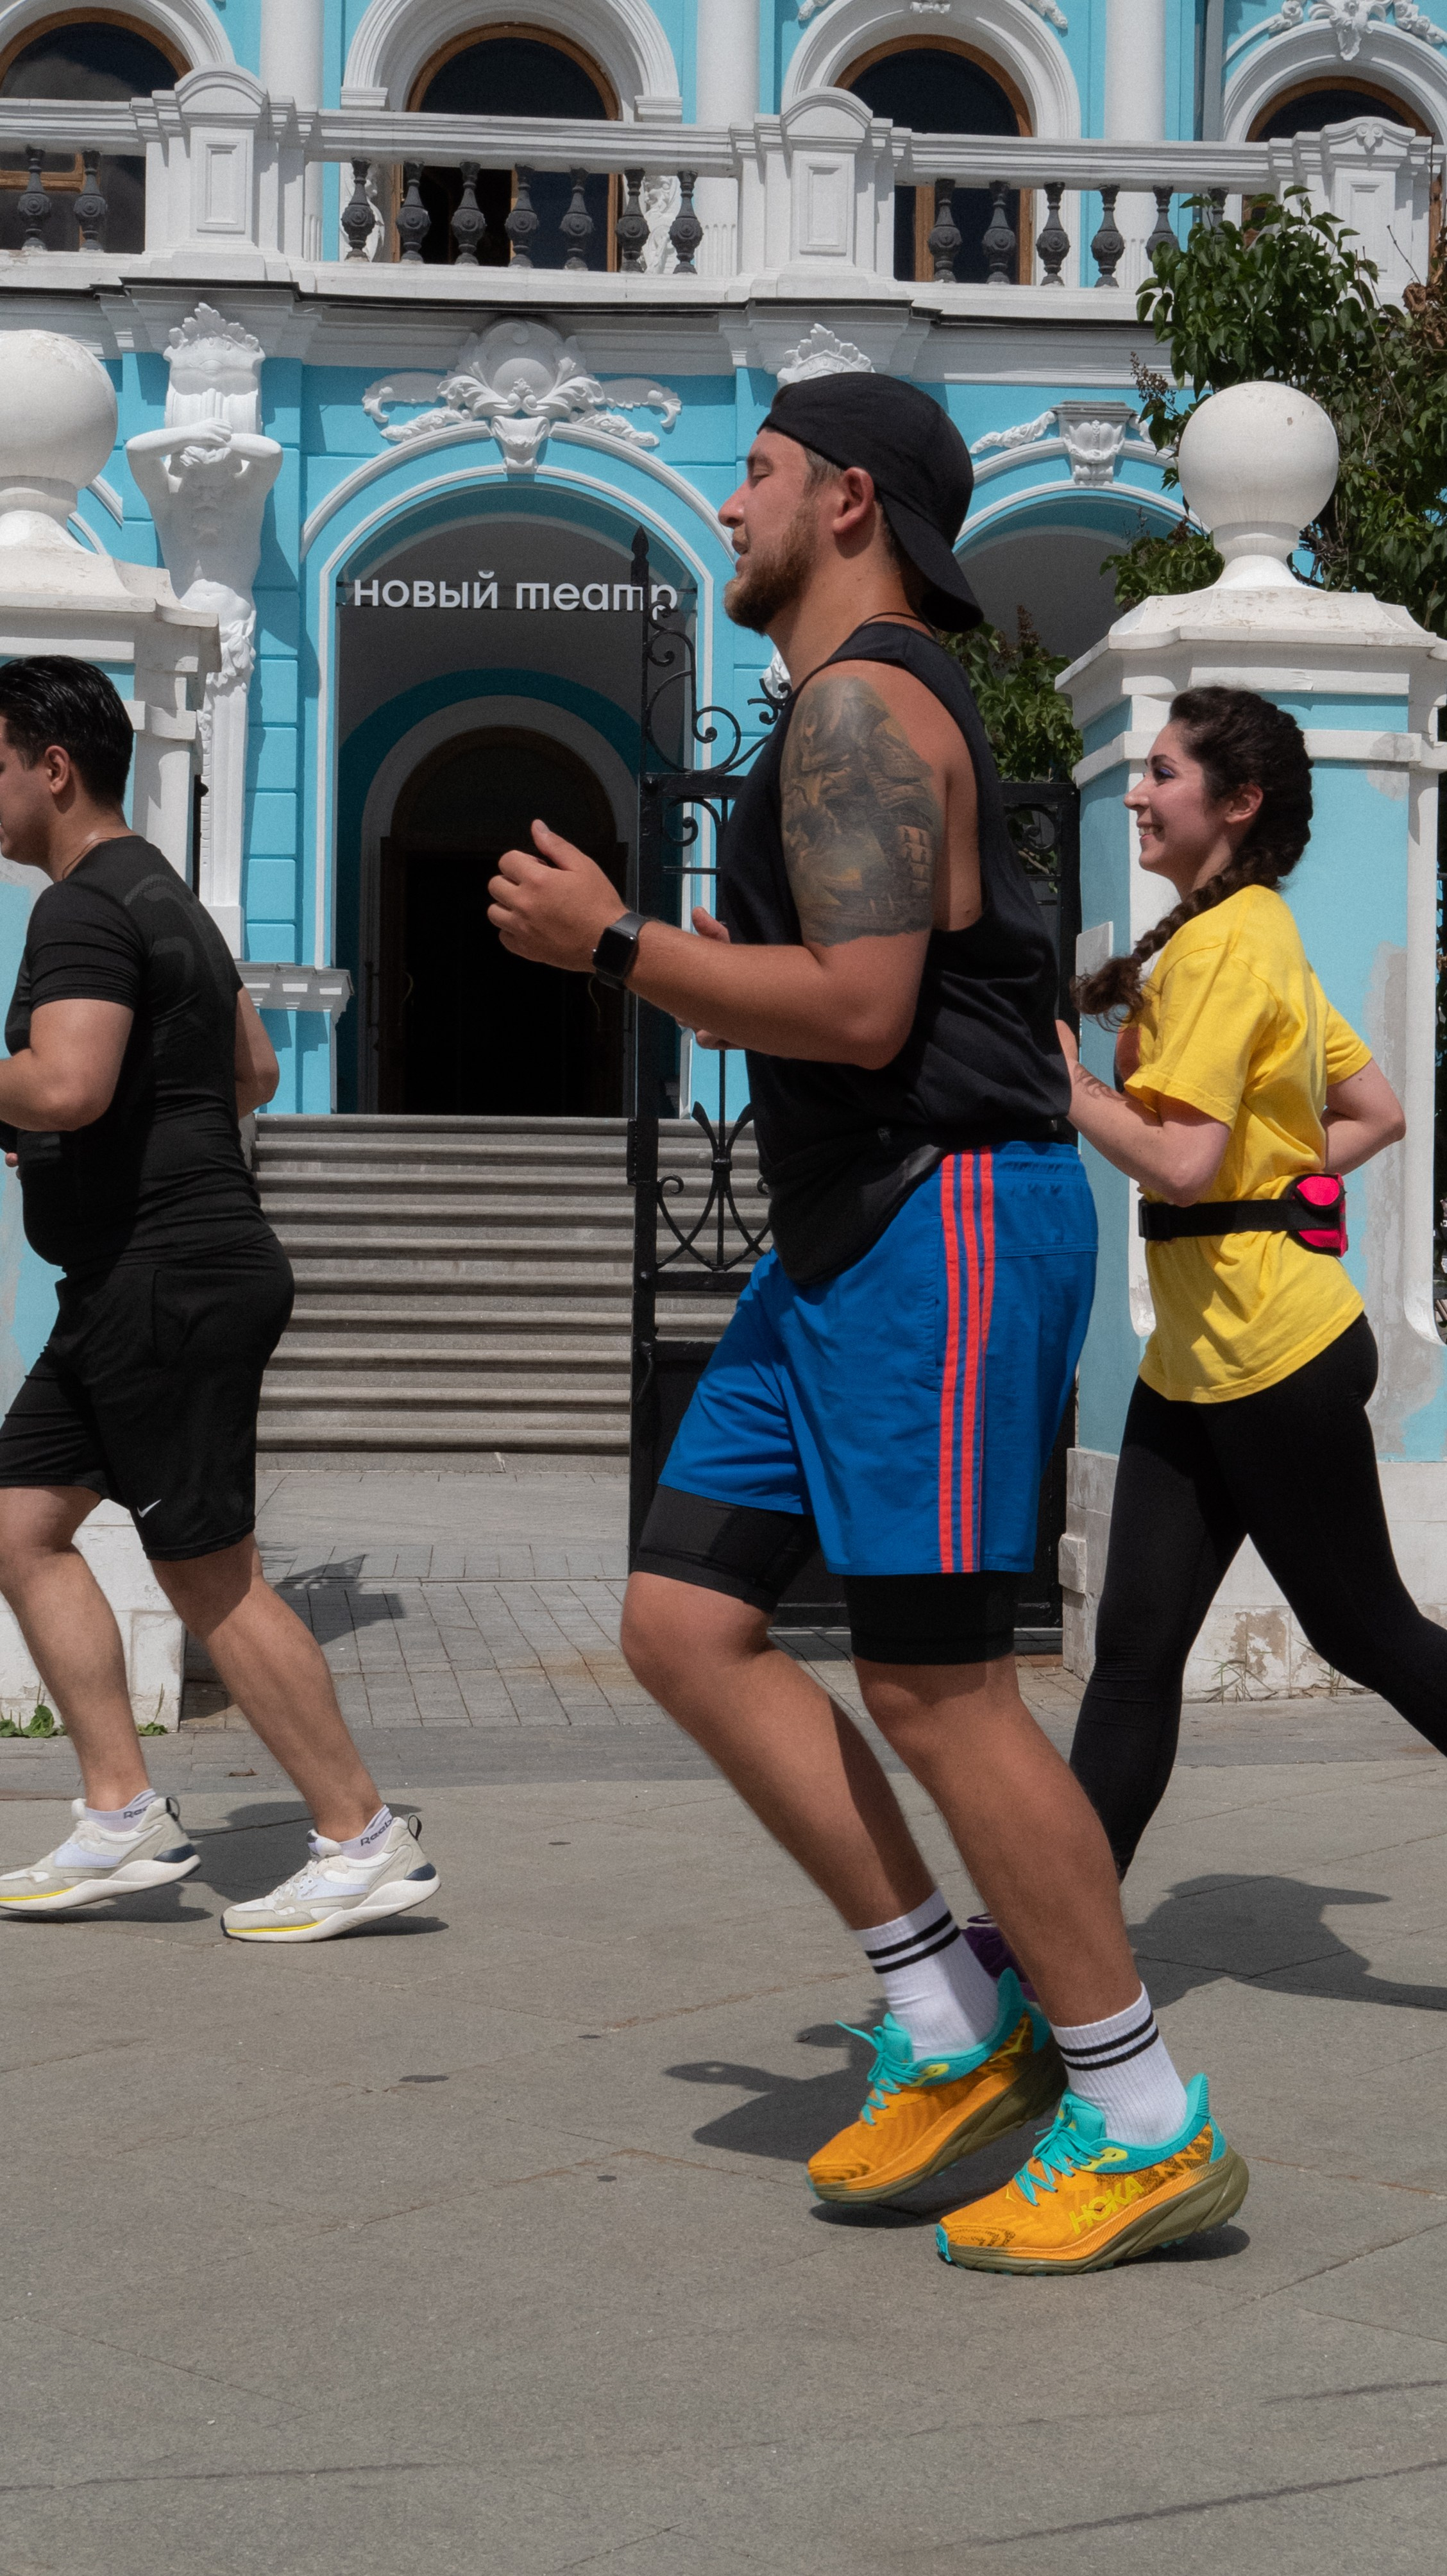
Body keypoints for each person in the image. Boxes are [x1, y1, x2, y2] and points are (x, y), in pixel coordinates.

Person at [486, 374, 1248, 2275]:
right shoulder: (846, 708)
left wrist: (610, 941)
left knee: (935, 1684)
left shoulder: (865, 704)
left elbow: (857, 1008)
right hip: (842, 1238)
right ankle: (947, 2016)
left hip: (942, 1221)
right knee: (682, 1619)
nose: (721, 500)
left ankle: (1143, 2113)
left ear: (844, 501)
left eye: (750, 472)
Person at [0, 656, 438, 1942]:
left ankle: (361, 1836)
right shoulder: (166, 898)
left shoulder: (82, 908)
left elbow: (69, 1085)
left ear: (50, 765)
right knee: (22, 1522)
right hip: (142, 1275)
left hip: (165, 1275)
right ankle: (123, 1812)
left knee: (210, 1572)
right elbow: (247, 1065)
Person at [1052, 684, 1444, 1879]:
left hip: (1276, 1356)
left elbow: (1179, 1163)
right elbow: (1372, 1111)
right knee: (1132, 1656)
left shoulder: (1228, 946)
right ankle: (1052, 1947)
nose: (1136, 791)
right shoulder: (1249, 928)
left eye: (1163, 772)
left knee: (1366, 1631)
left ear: (1239, 802)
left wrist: (1066, 1089)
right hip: (1195, 1359)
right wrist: (1269, 1183)